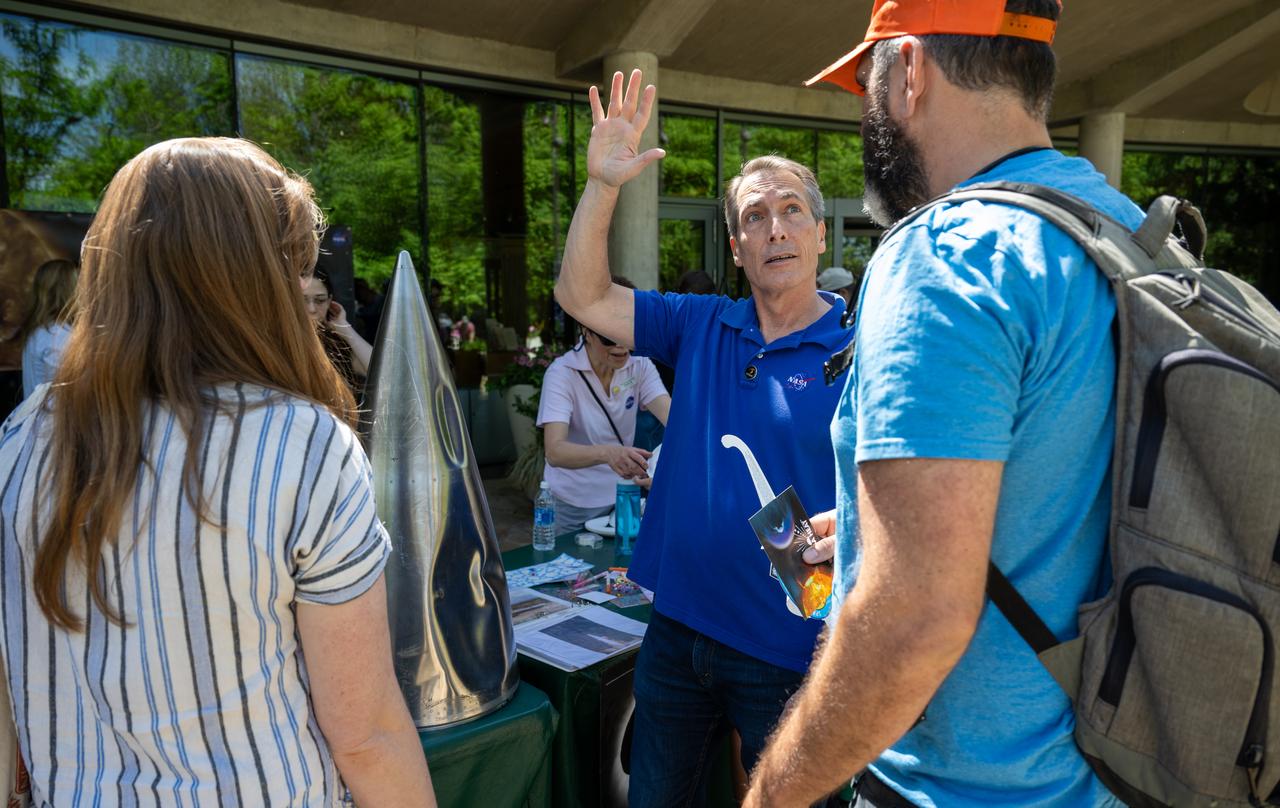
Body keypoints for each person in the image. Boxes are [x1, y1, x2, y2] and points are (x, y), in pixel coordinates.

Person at [746, 1, 1131, 806]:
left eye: (868, 82)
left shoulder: (948, 256)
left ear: (911, 72)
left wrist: (770, 796)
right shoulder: (1124, 232)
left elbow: (911, 625)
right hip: (1113, 777)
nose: (866, 112)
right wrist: (863, 532)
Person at [0, 137, 435, 806]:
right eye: (291, 266)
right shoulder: (303, 445)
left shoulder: (23, 436)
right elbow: (366, 735)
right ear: (251, 278)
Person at [555, 69, 852, 807]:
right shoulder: (700, 323)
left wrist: (852, 527)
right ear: (737, 245)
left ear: (818, 234)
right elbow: (581, 295)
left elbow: (900, 495)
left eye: (791, 212)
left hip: (788, 653)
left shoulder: (859, 352)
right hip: (678, 636)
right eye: (755, 217)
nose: (774, 228)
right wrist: (603, 186)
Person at [537, 276, 672, 534]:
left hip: (622, 499)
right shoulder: (562, 373)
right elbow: (554, 451)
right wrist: (608, 453)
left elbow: (676, 420)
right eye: (609, 336)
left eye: (628, 330)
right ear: (586, 330)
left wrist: (665, 470)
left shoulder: (640, 364)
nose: (621, 345)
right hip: (571, 505)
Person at [304, 270, 373, 397]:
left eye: (320, 300)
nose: (311, 309)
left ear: (330, 301)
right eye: (302, 300)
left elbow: (383, 371)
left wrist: (345, 328)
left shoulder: (337, 345)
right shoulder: (276, 344)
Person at [18, 257, 77, 398]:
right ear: (67, 290)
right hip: (54, 418)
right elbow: (72, 389)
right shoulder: (55, 335)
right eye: (78, 283)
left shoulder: (42, 330)